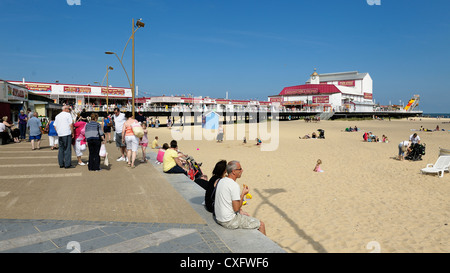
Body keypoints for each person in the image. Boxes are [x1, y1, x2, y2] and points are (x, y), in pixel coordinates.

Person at [214, 161, 266, 235]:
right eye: (240, 169)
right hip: (228, 221)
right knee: (261, 225)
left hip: (219, 218)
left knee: (245, 215)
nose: (242, 170)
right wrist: (243, 194)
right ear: (234, 172)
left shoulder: (222, 181)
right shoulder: (234, 185)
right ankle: (265, 246)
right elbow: (236, 208)